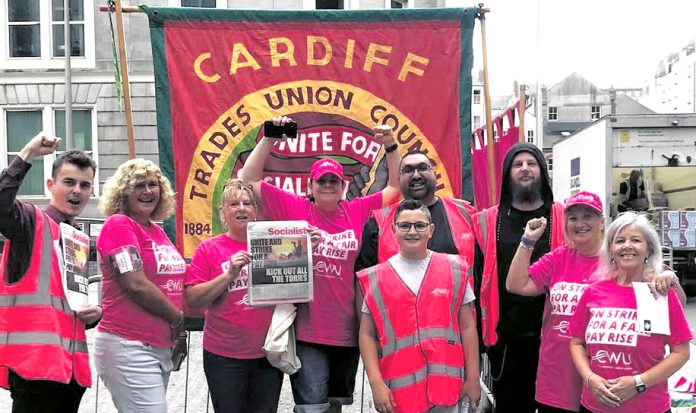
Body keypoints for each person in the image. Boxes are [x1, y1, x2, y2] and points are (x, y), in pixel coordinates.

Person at [239, 116, 401, 413]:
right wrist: (270, 138)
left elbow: (394, 189)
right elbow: (249, 180)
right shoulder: (296, 207)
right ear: (310, 186)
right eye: (321, 180)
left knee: (335, 406)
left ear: (343, 185)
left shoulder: (356, 209)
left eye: (333, 181)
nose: (328, 185)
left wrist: (390, 146)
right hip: (308, 330)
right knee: (312, 407)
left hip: (347, 328)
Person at [0, 132, 101, 413]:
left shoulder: (76, 238)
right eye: (69, 182)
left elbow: (66, 304)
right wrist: (27, 153)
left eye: (84, 185)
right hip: (34, 368)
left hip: (69, 370)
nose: (77, 191)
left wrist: (93, 315)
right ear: (50, 185)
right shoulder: (30, 221)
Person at [358, 200, 480, 413]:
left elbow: (468, 327)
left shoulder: (455, 270)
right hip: (398, 394)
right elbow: (367, 334)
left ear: (431, 230)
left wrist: (473, 378)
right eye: (405, 225)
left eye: (419, 225)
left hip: (447, 390)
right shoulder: (376, 278)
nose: (412, 231)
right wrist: (376, 384)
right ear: (393, 230)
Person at [472, 143, 564, 413]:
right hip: (506, 339)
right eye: (517, 164)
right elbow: (477, 280)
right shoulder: (488, 221)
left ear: (542, 172)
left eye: (531, 163)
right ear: (507, 174)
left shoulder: (562, 216)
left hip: (554, 337)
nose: (525, 168)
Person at [568, 212, 692, 413]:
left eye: (636, 240)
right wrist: (589, 378)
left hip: (648, 407)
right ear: (611, 250)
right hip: (594, 406)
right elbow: (575, 342)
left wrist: (638, 382)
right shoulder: (593, 291)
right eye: (619, 241)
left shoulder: (659, 293)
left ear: (648, 249)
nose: (627, 246)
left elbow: (681, 352)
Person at [94, 158, 187, 413]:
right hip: (128, 345)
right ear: (123, 192)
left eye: (153, 185)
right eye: (138, 185)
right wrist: (177, 321)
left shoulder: (157, 231)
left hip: (159, 347)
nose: (148, 191)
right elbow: (135, 283)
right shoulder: (118, 225)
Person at [185, 179, 282, 412]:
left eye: (247, 203)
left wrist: (308, 250)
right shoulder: (208, 249)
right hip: (224, 357)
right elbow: (193, 299)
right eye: (233, 204)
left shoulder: (274, 245)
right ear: (223, 213)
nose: (241, 208)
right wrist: (229, 274)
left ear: (256, 210)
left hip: (267, 355)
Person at [355, 150, 476, 270]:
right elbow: (365, 280)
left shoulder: (467, 215)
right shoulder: (378, 223)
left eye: (423, 168)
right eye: (408, 170)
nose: (416, 175)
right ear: (399, 179)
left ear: (434, 174)